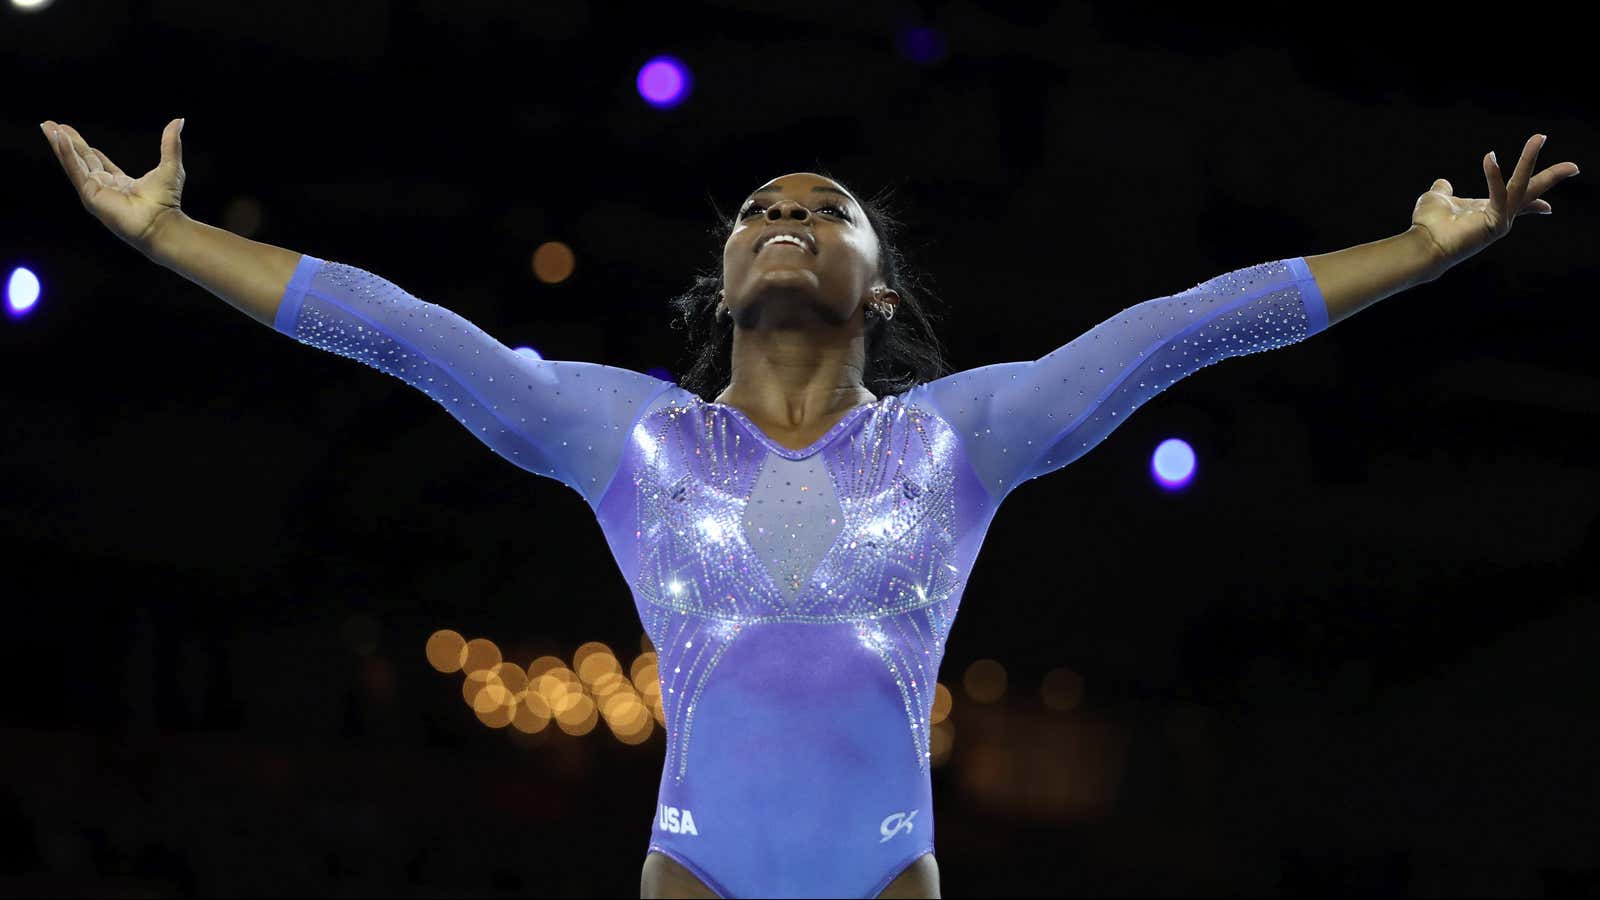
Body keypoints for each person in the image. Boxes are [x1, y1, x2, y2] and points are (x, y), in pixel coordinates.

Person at [40, 118, 1577, 899]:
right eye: (759, 215)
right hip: (694, 864)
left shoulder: (965, 438)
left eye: (818, 211)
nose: (783, 223)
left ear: (876, 288)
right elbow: (389, 326)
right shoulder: (622, 437)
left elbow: (1189, 321)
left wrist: (1419, 249)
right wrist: (165, 237)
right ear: (723, 284)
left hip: (886, 867)